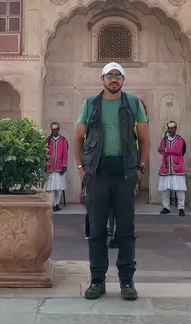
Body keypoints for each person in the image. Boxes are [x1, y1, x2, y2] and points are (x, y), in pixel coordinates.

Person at [74, 62, 149, 301]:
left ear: (123, 80)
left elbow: (145, 139)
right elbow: (77, 137)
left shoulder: (134, 104)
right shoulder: (90, 104)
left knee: (126, 230)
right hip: (97, 174)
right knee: (96, 230)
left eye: (118, 75)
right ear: (102, 78)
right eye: (110, 75)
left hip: (125, 173)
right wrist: (80, 170)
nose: (114, 79)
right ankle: (97, 281)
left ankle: (127, 281)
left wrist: (141, 169)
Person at [157, 121, 187, 216]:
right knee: (165, 190)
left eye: (172, 128)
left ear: (175, 129)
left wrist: (166, 150)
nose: (171, 130)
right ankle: (166, 207)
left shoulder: (180, 139)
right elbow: (161, 151)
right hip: (166, 167)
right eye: (169, 129)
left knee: (179, 190)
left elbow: (178, 151)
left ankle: (181, 208)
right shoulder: (164, 139)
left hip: (177, 168)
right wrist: (167, 151)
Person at [45, 122, 69, 212]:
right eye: (52, 130)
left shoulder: (63, 140)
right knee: (50, 188)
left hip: (60, 167)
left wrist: (64, 165)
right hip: (50, 167)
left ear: (58, 130)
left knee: (58, 188)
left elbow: (65, 154)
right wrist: (45, 164)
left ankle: (56, 203)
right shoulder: (47, 140)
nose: (54, 131)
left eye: (55, 129)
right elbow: (45, 154)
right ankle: (51, 204)